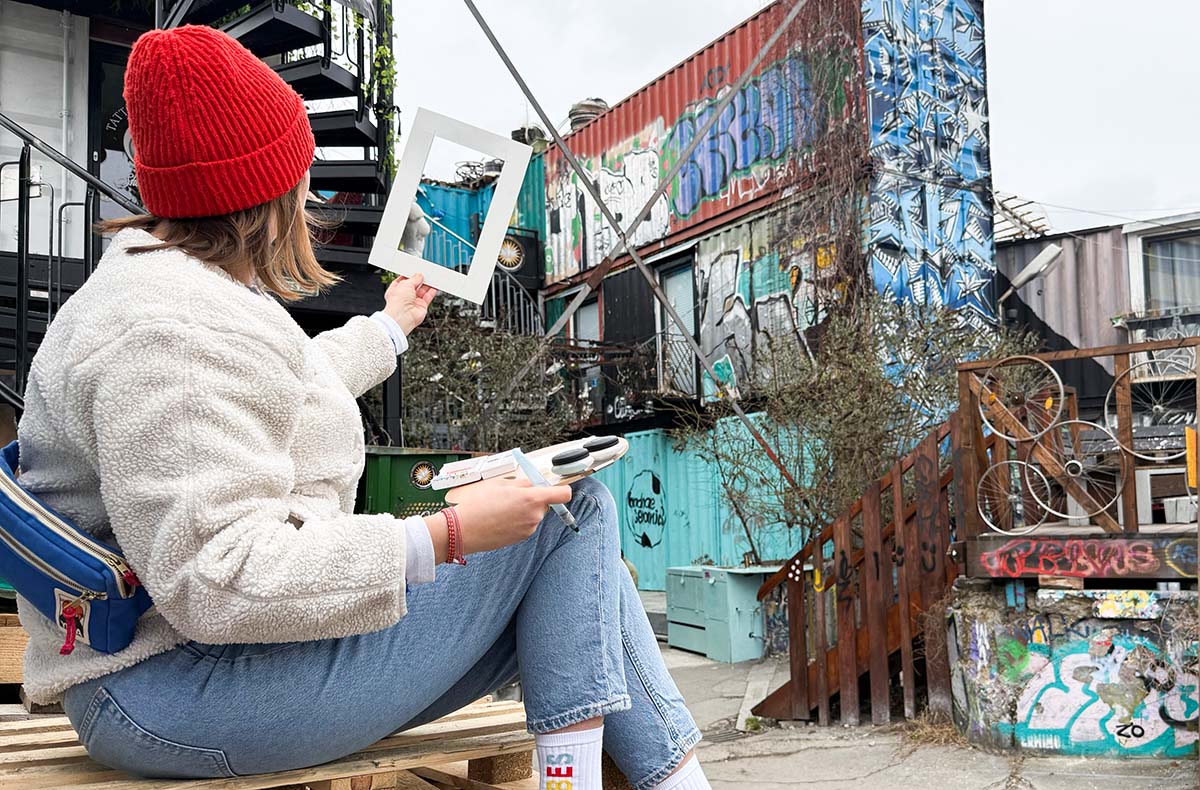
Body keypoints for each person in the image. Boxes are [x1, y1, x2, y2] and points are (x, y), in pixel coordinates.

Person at [14, 24, 711, 790]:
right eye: (301, 172)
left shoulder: (172, 290)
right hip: (175, 693)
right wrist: (443, 535)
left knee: (575, 566)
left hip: (186, 673)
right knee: (569, 515)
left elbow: (277, 388)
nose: (311, 193)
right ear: (265, 190)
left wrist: (389, 326)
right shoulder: (170, 332)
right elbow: (217, 578)